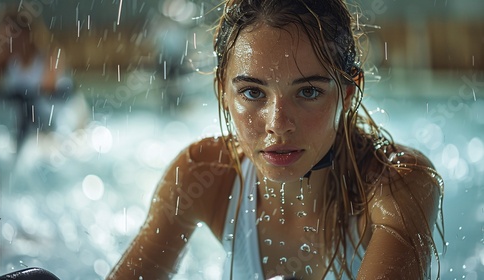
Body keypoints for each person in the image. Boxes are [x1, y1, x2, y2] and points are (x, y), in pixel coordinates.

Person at [107, 0, 444, 279]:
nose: (278, 125)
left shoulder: (397, 185)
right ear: (224, 91)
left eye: (308, 91)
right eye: (253, 92)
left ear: (347, 91)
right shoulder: (204, 175)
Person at [0, 3, 73, 152]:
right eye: (4, 37)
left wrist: (20, 93)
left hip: (62, 117)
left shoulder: (51, 54)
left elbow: (47, 88)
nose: (6, 41)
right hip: (30, 118)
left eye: (11, 36)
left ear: (26, 33)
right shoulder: (6, 58)